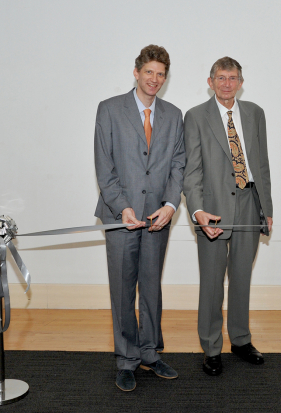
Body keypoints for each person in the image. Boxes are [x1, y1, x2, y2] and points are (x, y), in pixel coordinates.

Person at [94, 45, 185, 391]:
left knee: (150, 287)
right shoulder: (109, 109)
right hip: (121, 216)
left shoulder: (174, 115)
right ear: (136, 72)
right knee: (122, 289)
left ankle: (150, 353)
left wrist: (171, 205)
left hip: (157, 217)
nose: (155, 79)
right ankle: (126, 358)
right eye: (149, 72)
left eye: (161, 74)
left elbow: (178, 165)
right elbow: (105, 167)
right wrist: (122, 207)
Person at [183, 56, 273, 376]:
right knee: (211, 283)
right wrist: (197, 211)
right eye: (220, 78)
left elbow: (260, 165)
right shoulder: (195, 117)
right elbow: (191, 171)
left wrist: (267, 208)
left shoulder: (254, 114)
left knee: (242, 279)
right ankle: (211, 347)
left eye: (232, 78)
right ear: (210, 82)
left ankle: (240, 340)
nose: (226, 84)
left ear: (240, 82)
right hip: (213, 210)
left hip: (249, 203)